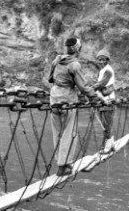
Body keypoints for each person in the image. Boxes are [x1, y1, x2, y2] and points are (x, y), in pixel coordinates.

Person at [48, 37, 98, 176]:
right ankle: (65, 166)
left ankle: (60, 163)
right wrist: (93, 97)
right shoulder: (74, 65)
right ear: (77, 49)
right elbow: (83, 86)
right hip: (68, 100)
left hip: (54, 99)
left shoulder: (57, 60)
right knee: (69, 133)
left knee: (57, 132)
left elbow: (51, 79)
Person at [92, 49, 116, 154]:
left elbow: (101, 84)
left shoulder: (108, 70)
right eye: (99, 59)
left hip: (108, 100)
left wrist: (89, 89)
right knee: (105, 124)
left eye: (103, 59)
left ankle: (107, 146)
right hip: (103, 99)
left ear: (108, 60)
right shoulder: (102, 71)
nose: (101, 62)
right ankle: (111, 144)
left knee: (106, 124)